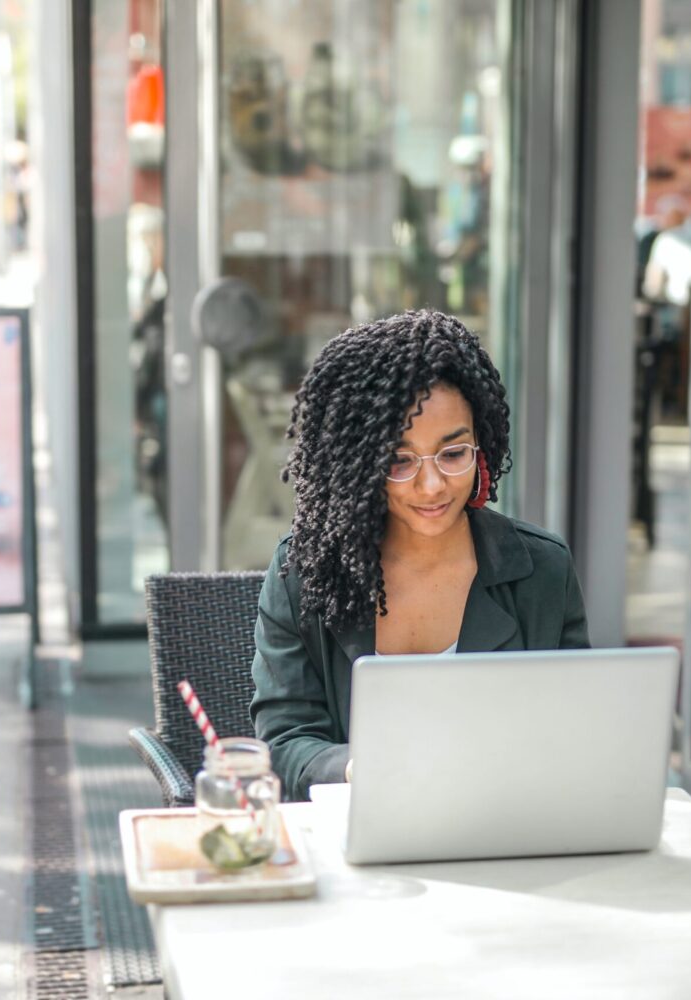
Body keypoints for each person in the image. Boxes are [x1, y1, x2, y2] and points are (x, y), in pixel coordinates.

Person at [249, 311, 591, 800]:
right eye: (399, 460)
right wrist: (354, 767)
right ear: (358, 464)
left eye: (453, 455)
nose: (431, 487)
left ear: (482, 447)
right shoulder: (304, 573)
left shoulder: (542, 571)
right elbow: (284, 742)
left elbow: (575, 734)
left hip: (508, 828)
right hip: (358, 837)